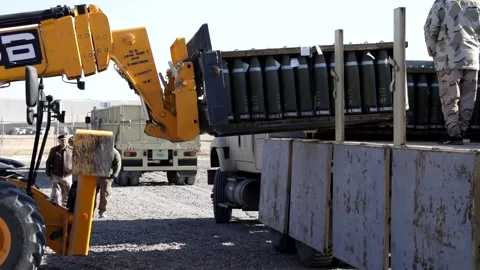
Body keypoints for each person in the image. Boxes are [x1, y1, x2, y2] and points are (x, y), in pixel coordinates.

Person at [424, 0, 480, 145]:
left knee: (450, 97)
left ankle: (454, 135)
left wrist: (433, 50)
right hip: (472, 58)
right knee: (468, 98)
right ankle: (461, 132)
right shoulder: (475, 3)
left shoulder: (442, 3)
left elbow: (431, 28)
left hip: (449, 57)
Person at [45, 134, 73, 207]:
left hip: (67, 176)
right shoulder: (54, 150)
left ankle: (65, 209)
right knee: (55, 194)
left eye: (65, 140)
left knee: (67, 194)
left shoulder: (71, 150)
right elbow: (48, 162)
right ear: (59, 141)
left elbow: (75, 162)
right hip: (56, 176)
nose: (64, 141)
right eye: (62, 140)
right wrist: (48, 174)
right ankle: (55, 208)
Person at [94, 147, 121, 218]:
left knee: (104, 195)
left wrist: (114, 174)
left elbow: (118, 163)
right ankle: (91, 211)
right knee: (92, 195)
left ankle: (102, 211)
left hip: (106, 177)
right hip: (95, 176)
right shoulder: (97, 150)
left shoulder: (114, 152)